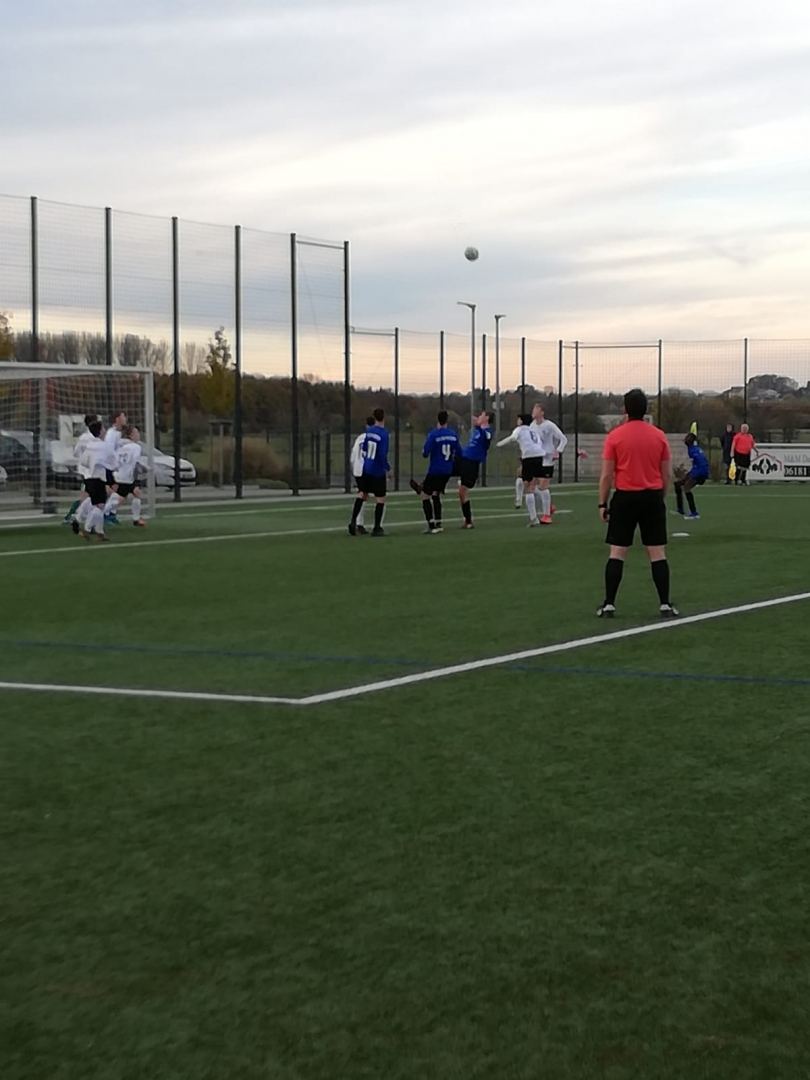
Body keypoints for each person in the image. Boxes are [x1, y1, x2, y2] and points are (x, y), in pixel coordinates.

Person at [597, 388, 678, 619]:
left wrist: (602, 504)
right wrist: (660, 496)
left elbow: (607, 475)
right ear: (646, 409)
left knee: (617, 551)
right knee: (657, 551)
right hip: (652, 497)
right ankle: (664, 604)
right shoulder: (659, 436)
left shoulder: (615, 437)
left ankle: (609, 604)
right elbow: (667, 474)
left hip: (624, 498)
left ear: (625, 409)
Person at [410, 410, 460, 533]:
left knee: (425, 495)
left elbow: (425, 453)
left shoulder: (433, 435)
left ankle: (431, 525)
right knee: (436, 494)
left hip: (435, 469)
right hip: (447, 470)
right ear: (447, 420)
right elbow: (459, 452)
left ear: (438, 420)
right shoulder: (453, 434)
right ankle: (439, 523)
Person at [496, 414, 545, 527]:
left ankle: (534, 518)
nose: (517, 420)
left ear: (522, 421)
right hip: (539, 456)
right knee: (530, 483)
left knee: (528, 487)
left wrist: (498, 444)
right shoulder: (533, 430)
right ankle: (543, 505)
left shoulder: (519, 429)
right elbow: (538, 443)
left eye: (519, 419)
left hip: (529, 457)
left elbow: (512, 438)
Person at [348, 408, 391, 537]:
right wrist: (388, 468)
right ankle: (377, 527)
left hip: (366, 468)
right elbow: (382, 453)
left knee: (362, 494)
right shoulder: (384, 433)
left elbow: (366, 448)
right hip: (377, 470)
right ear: (383, 418)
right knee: (380, 499)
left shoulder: (369, 431)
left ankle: (353, 521)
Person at [75, 421, 117, 542]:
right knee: (100, 505)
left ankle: (98, 531)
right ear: (99, 432)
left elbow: (84, 461)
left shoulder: (89, 446)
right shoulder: (104, 446)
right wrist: (108, 466)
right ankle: (88, 527)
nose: (104, 430)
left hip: (88, 477)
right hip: (98, 478)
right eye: (103, 428)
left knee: (93, 501)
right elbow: (113, 462)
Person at [530, 403, 568, 524]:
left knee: (543, 485)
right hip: (535, 458)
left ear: (542, 412)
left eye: (536, 409)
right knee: (530, 485)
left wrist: (558, 451)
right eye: (533, 409)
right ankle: (548, 505)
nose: (533, 412)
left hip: (547, 458)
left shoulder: (549, 425)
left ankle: (546, 516)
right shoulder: (532, 426)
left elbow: (563, 439)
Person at [457, 411, 494, 529]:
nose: (479, 417)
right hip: (464, 460)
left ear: (487, 418)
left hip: (472, 463)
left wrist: (478, 426)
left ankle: (468, 520)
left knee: (462, 492)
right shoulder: (476, 431)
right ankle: (427, 486)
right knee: (444, 470)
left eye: (481, 415)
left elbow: (486, 439)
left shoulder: (488, 432)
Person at [106, 426, 147, 527]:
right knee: (119, 498)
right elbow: (136, 461)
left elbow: (115, 459)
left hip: (120, 474)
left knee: (136, 493)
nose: (138, 435)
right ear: (131, 435)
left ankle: (136, 519)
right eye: (136, 433)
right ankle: (103, 512)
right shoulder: (136, 447)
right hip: (126, 477)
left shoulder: (121, 445)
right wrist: (147, 467)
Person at [66, 414, 99, 529]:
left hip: (85, 470)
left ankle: (83, 518)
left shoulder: (83, 437)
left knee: (88, 495)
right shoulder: (92, 438)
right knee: (87, 495)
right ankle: (72, 516)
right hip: (89, 471)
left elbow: (76, 452)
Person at [349, 416, 375, 535]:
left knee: (363, 494)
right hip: (368, 469)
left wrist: (354, 468)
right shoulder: (374, 437)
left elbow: (353, 455)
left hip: (357, 469)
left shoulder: (360, 437)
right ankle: (358, 523)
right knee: (379, 496)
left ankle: (358, 523)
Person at [674, 433, 709, 519]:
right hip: (699, 471)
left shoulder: (693, 451)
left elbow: (701, 464)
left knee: (687, 487)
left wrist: (691, 475)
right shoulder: (695, 449)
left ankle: (694, 513)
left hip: (700, 473)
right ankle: (680, 509)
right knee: (678, 484)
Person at [102, 410, 128, 523]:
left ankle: (111, 514)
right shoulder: (111, 434)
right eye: (123, 416)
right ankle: (105, 514)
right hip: (110, 467)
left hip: (115, 467)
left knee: (116, 491)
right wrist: (114, 465)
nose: (125, 418)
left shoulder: (117, 433)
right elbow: (109, 451)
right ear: (117, 419)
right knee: (115, 492)